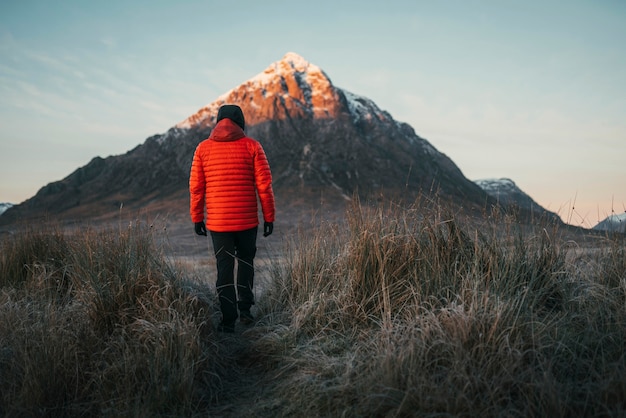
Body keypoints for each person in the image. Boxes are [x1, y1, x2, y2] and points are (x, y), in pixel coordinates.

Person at [189, 104, 275, 333]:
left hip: (218, 224)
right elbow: (264, 187)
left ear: (218, 121)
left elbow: (196, 188)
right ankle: (245, 311)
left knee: (224, 268)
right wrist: (269, 217)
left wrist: (197, 217)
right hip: (247, 222)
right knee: (246, 264)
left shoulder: (202, 149)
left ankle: (228, 321)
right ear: (241, 122)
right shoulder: (253, 147)